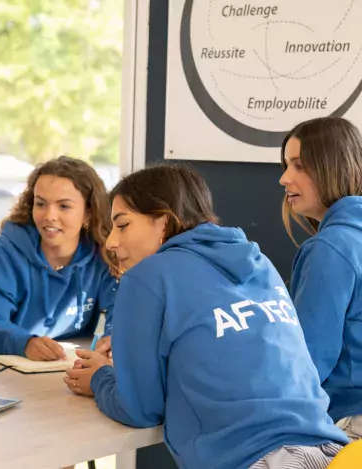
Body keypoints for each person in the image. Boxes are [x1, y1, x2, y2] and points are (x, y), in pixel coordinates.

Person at [64, 164, 348, 469]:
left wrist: (99, 378)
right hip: (333, 451)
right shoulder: (259, 262)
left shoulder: (147, 276)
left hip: (251, 459)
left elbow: (140, 409)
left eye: (123, 225)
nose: (111, 242)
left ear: (163, 222)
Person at [0, 156, 117, 360]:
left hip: (60, 367)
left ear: (88, 212)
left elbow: (121, 309)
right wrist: (26, 343)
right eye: (41, 204)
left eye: (64, 206)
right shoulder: (5, 252)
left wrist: (115, 336)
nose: (49, 216)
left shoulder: (102, 253)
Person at [279, 116, 362, 440]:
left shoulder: (330, 248)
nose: (284, 178)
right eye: (286, 165)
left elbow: (306, 364)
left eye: (299, 166)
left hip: (346, 425)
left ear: (333, 166)